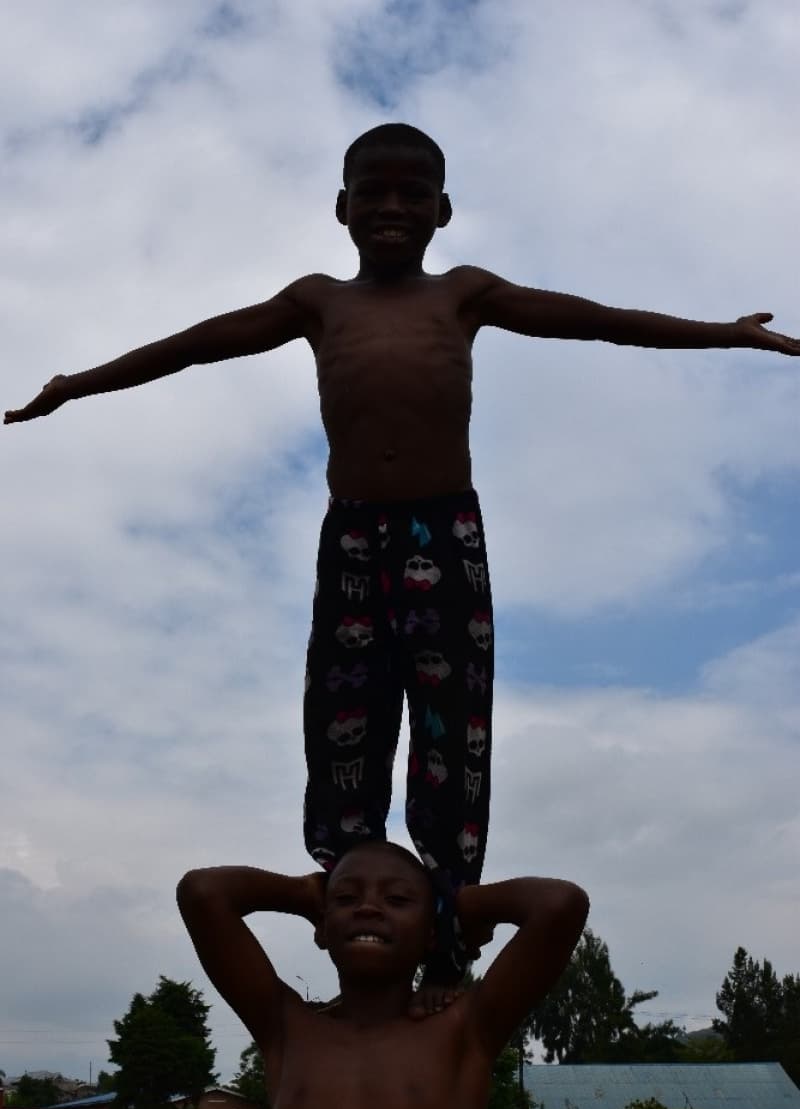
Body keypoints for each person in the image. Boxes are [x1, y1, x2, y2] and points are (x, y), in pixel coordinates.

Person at [7, 124, 798, 996]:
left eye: (412, 192)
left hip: (442, 535)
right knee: (345, 715)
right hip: (352, 537)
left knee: (450, 727)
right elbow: (199, 341)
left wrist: (726, 333)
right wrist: (79, 382)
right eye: (372, 192)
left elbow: (598, 322)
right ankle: (355, 936)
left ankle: (448, 946)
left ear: (442, 210)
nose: (391, 206)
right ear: (341, 208)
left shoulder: (462, 294)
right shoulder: (317, 302)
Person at [177, 840, 589, 1109]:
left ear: (431, 933)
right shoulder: (285, 1029)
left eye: (397, 899)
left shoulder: (464, 1032)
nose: (369, 908)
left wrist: (457, 904)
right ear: (321, 926)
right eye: (345, 899)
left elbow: (560, 904)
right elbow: (202, 892)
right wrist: (301, 892)